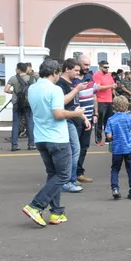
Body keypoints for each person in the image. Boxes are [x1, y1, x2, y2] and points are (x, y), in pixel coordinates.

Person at [21, 59, 90, 227]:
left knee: (53, 174)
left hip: (40, 138)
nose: (59, 76)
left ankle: (56, 212)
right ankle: (36, 205)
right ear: (54, 73)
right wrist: (77, 113)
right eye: (58, 73)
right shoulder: (55, 89)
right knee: (64, 175)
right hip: (57, 138)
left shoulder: (32, 88)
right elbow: (58, 114)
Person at [56, 59, 90, 193]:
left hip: (74, 119)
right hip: (66, 120)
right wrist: (76, 89)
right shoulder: (60, 84)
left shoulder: (72, 83)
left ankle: (70, 179)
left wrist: (84, 117)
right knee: (75, 150)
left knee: (74, 150)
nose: (78, 73)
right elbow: (62, 101)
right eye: (75, 70)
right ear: (66, 69)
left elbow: (75, 105)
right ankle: (69, 180)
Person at [105, 95, 131, 200]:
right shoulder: (128, 117)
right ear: (126, 106)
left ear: (114, 106)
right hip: (129, 147)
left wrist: (113, 137)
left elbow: (109, 136)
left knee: (115, 169)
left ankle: (115, 189)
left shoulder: (111, 119)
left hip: (117, 149)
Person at [74, 55, 98, 184]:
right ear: (78, 64)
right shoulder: (73, 80)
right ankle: (71, 175)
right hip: (77, 119)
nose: (87, 67)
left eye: (88, 65)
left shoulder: (90, 77)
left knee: (84, 147)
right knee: (74, 147)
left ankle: (79, 173)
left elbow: (94, 97)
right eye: (85, 65)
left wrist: (95, 114)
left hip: (89, 118)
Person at [5, 62, 35, 151]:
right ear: (26, 69)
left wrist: (14, 93)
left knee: (16, 123)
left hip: (16, 102)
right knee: (30, 123)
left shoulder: (13, 78)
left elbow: (6, 89)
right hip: (28, 103)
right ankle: (31, 144)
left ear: (18, 69)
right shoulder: (32, 78)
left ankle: (14, 145)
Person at [93, 60, 116, 146]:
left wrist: (115, 96)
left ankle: (108, 138)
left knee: (108, 121)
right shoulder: (96, 75)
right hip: (100, 101)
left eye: (108, 67)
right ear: (100, 67)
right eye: (105, 67)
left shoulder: (109, 75)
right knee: (99, 121)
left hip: (109, 100)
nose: (107, 69)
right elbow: (98, 87)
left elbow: (113, 85)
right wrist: (110, 86)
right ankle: (98, 140)